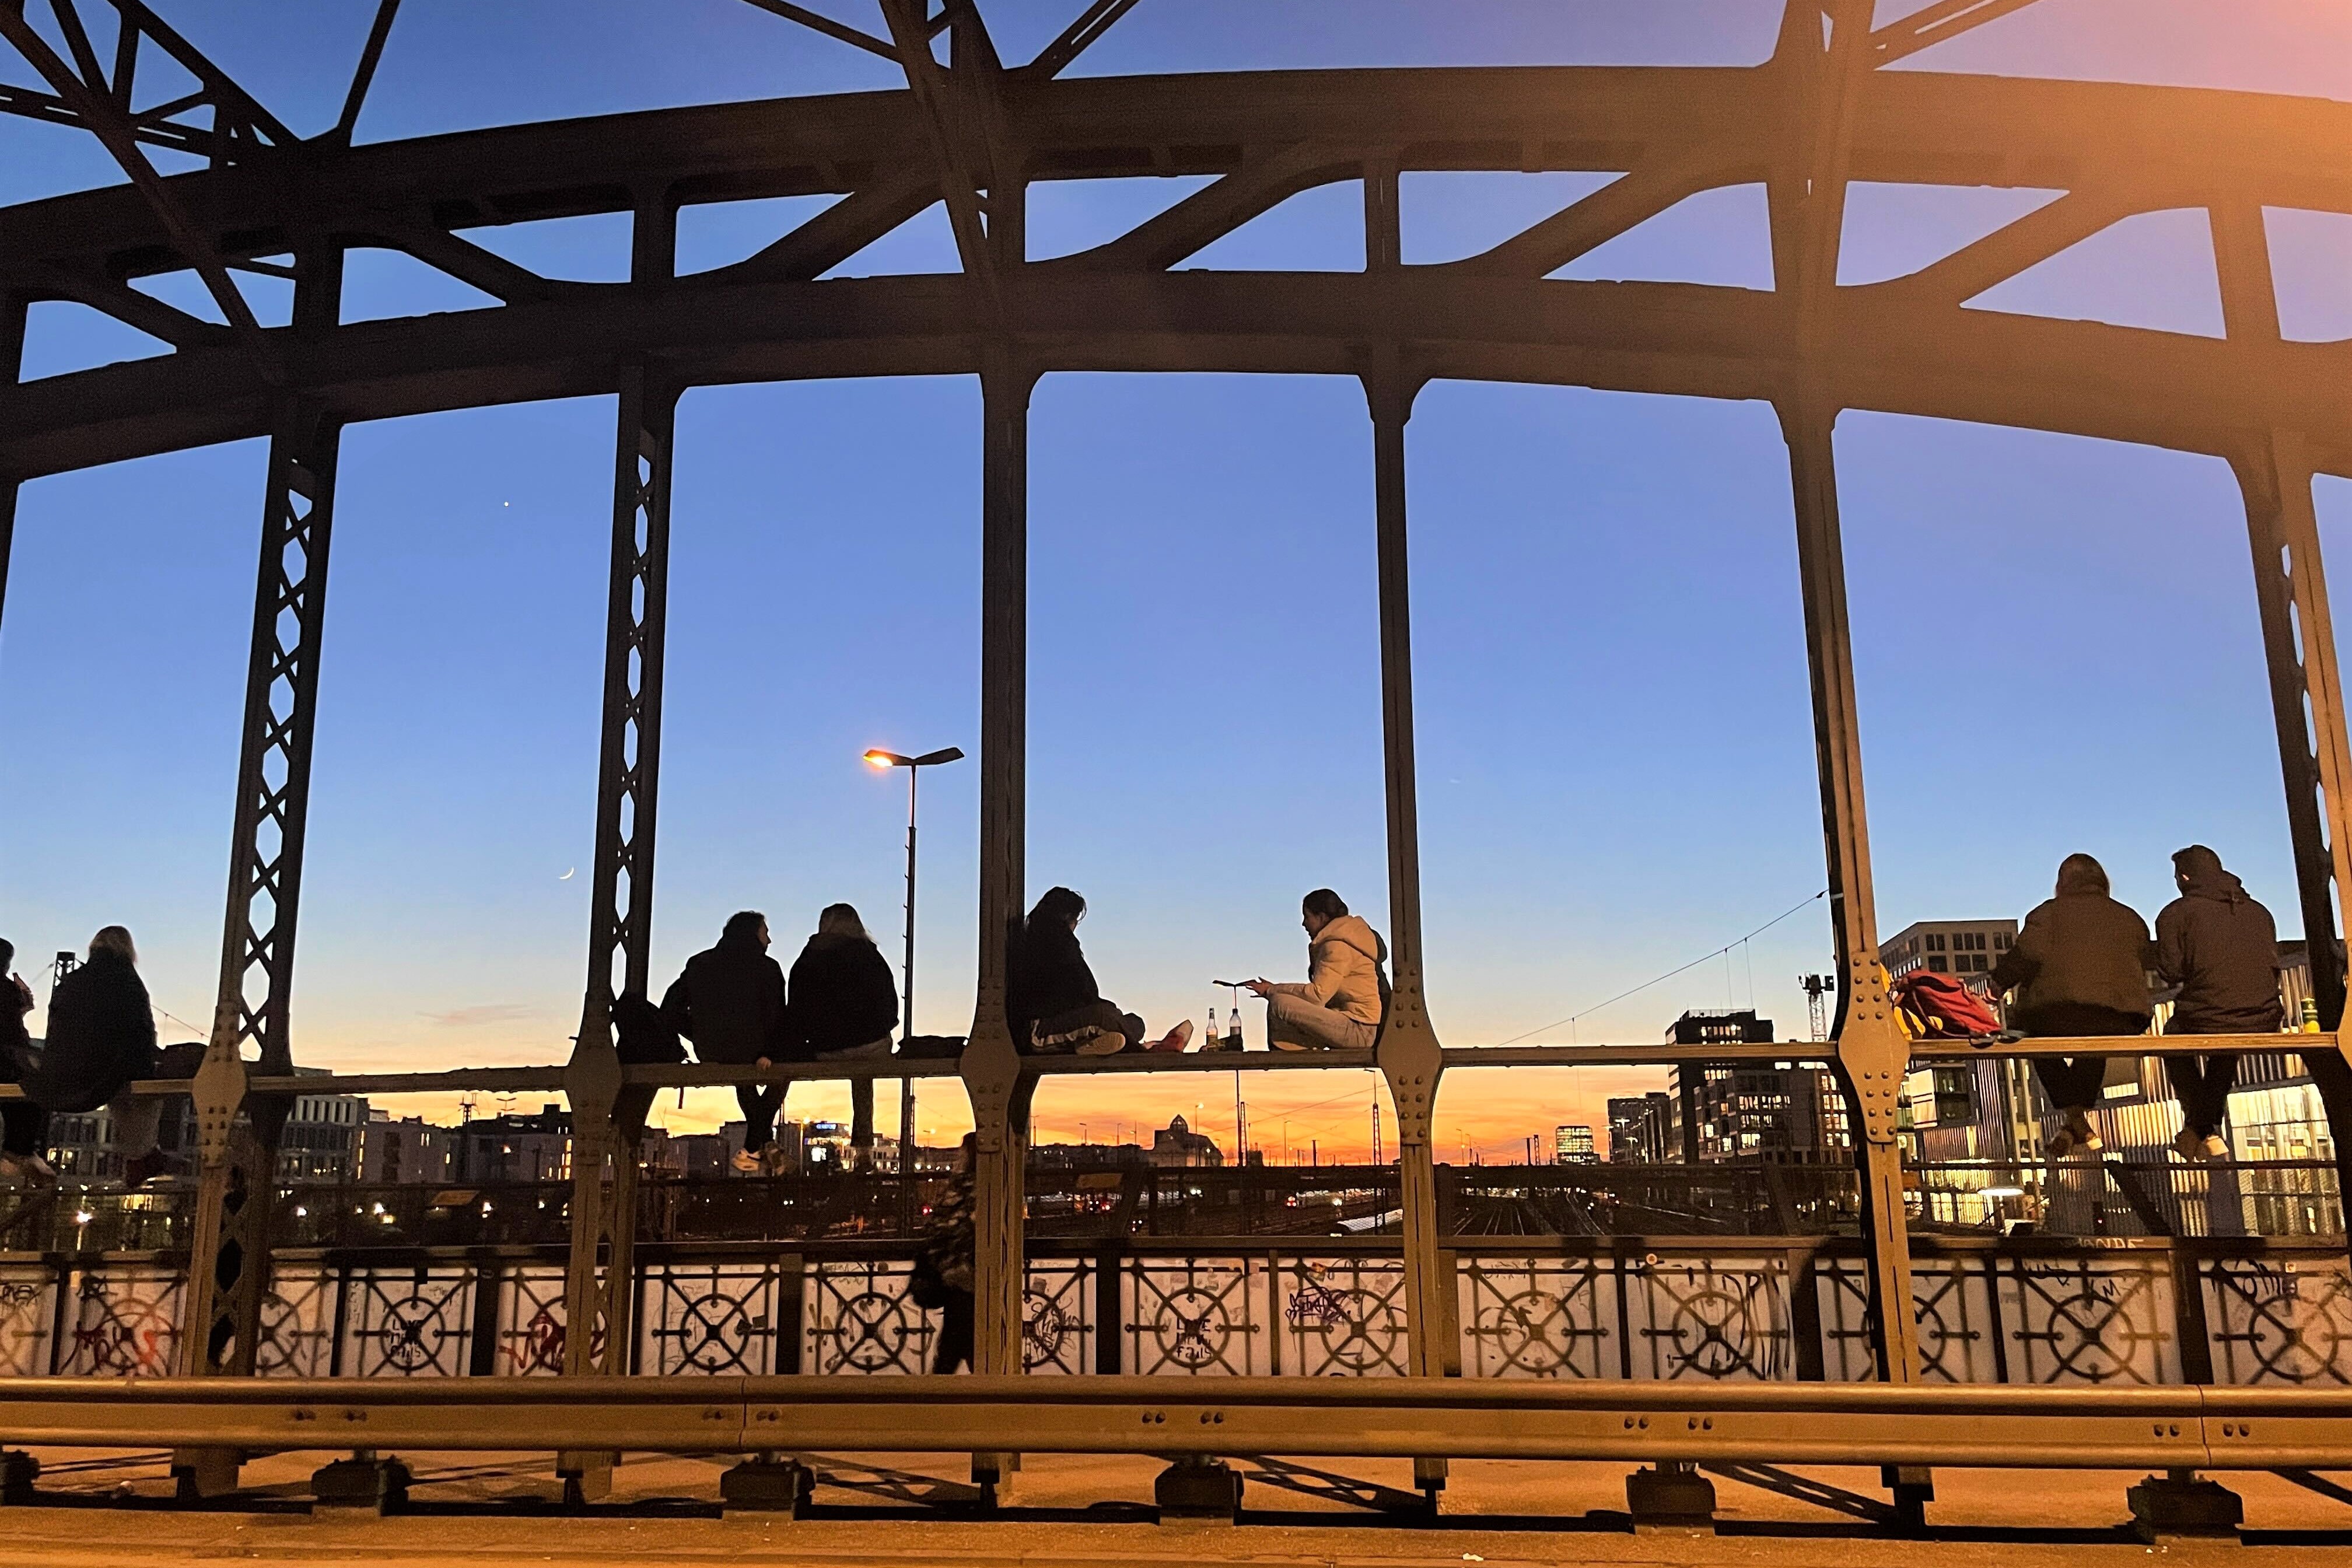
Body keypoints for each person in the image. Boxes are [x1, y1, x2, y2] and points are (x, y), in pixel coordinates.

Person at [1986, 855, 2154, 1159]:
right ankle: (2074, 1124)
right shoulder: (2129, 917)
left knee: (2032, 1039)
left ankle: (2075, 1119)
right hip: (2121, 1016)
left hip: (2054, 1015)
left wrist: (1998, 983)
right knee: (2095, 1039)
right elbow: (2147, 957)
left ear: (2063, 883)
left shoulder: (2048, 915)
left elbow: (2026, 956)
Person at [2156, 845, 2283, 1161]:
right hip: (2265, 1015)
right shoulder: (2259, 911)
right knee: (2226, 1043)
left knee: (2172, 1039)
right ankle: (2205, 1129)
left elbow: (2171, 973)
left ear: (2184, 877)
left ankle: (2201, 1126)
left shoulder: (2176, 913)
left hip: (2208, 1016)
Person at [27, 928, 167, 1185]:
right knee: (146, 1089)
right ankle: (139, 1156)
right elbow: (141, 1033)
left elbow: (57, 1029)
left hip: (62, 1074)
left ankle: (141, 1157)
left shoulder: (69, 981)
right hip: (102, 1075)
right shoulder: (129, 982)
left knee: (124, 1081)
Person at [662, 911, 790, 1172]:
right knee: (784, 1068)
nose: (770, 940)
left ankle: (760, 1148)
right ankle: (757, 1144)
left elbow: (670, 1010)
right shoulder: (768, 969)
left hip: (713, 1049)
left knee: (743, 1075)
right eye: (765, 932)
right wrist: (769, 1050)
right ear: (753, 935)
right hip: (757, 1050)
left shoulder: (699, 964)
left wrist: (697, 1033)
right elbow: (778, 1017)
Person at [1007, 887, 1188, 1055]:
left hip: (1060, 1023)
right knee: (1104, 1017)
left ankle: (1090, 1045)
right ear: (1067, 918)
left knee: (1134, 1022)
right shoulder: (1053, 945)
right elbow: (1079, 993)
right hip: (1039, 1032)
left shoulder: (1038, 942)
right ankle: (1148, 1051)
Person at [786, 904, 898, 1168]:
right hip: (871, 1045)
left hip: (825, 1048)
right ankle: (863, 1146)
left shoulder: (808, 958)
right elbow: (890, 1005)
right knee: (864, 1070)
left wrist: (811, 1038)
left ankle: (765, 1139)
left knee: (856, 1061)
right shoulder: (871, 957)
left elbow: (796, 1007)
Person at [1242, 888, 1389, 1052]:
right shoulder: (1339, 942)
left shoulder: (1337, 946)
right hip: (1348, 1023)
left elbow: (1317, 995)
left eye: (1307, 916)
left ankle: (1283, 1056)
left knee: (1279, 1003)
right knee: (1280, 1009)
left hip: (1359, 1029)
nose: (1303, 923)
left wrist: (1271, 990)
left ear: (1321, 917)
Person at [919, 1133, 978, 1374]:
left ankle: (933, 1405)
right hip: (972, 1278)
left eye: (962, 1152)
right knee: (965, 1347)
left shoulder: (961, 1186)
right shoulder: (982, 1187)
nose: (958, 1156)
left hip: (957, 1278)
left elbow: (940, 1227)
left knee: (953, 1349)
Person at [0, 940, 53, 1184]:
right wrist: (22, 1006)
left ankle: (18, 1151)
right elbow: (12, 1035)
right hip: (5, 1063)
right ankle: (20, 1150)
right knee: (35, 1088)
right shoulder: (7, 990)